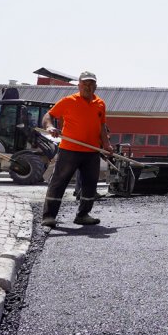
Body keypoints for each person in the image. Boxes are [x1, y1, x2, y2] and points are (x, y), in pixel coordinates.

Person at [41, 71, 112, 228]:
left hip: (92, 151)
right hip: (69, 150)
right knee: (59, 182)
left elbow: (101, 126)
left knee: (90, 184)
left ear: (96, 86)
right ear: (79, 85)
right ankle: (49, 216)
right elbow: (49, 115)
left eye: (91, 84)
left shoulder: (100, 103)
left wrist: (106, 145)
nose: (88, 87)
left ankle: (83, 215)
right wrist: (50, 126)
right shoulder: (68, 101)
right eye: (84, 84)